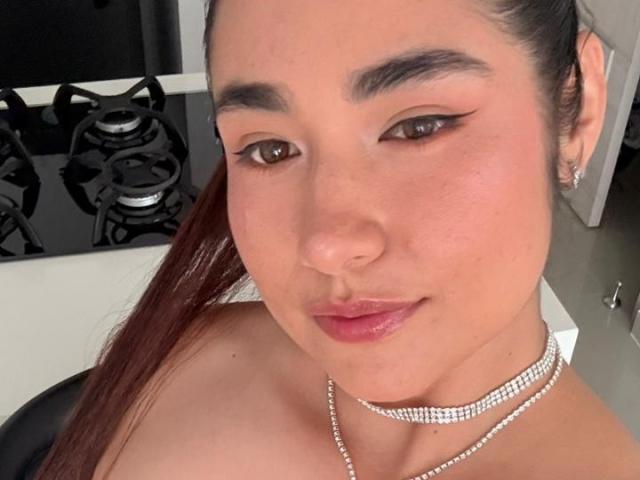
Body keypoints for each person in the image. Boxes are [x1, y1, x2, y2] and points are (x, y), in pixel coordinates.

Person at [37, 1, 640, 479]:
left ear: (579, 106)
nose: (326, 246)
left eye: (418, 127)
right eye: (270, 149)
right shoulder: (184, 356)